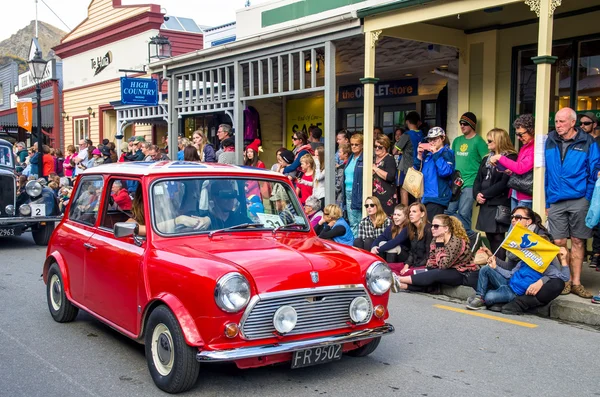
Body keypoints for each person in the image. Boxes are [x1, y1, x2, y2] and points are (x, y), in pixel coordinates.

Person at [469, 206, 570, 314]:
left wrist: (541, 281)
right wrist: (492, 259)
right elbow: (510, 269)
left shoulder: (541, 239)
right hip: (512, 280)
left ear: (528, 221)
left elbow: (557, 274)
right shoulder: (515, 237)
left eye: (518, 217)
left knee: (557, 284)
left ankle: (508, 301)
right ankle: (482, 298)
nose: (513, 220)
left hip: (530, 287)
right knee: (477, 274)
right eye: (512, 217)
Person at [545, 107, 599, 298]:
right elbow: (547, 173)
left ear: (572, 123)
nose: (558, 125)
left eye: (562, 122)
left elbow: (594, 171)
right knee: (558, 241)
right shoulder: (550, 140)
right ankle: (565, 279)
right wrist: (547, 200)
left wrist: (587, 197)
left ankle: (576, 282)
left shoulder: (587, 141)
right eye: (557, 121)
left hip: (579, 199)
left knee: (577, 240)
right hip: (556, 199)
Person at [393, 214, 478, 293]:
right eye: (432, 226)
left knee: (436, 274)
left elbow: (443, 265)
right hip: (448, 269)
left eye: (436, 226)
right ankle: (402, 286)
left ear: (446, 228)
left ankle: (399, 279)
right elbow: (431, 261)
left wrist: (440, 246)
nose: (432, 228)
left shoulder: (456, 241)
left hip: (464, 273)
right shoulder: (436, 239)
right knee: (428, 274)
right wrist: (428, 269)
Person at [473, 128, 517, 255]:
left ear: (499, 141)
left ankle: (499, 265)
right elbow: (477, 179)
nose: (487, 144)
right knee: (489, 236)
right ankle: (494, 264)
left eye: (490, 141)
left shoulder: (510, 157)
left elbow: (504, 183)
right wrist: (476, 194)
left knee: (498, 236)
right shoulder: (486, 158)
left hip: (499, 201)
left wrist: (484, 194)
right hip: (485, 202)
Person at [446, 112, 488, 245]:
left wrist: (482, 183)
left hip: (471, 183)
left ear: (472, 124)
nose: (462, 126)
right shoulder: (457, 140)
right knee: (448, 211)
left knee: (464, 213)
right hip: (456, 183)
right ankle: (467, 238)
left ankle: (468, 243)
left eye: (465, 123)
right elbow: (451, 160)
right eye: (460, 123)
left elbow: (486, 161)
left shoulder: (479, 141)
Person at [489, 114, 535, 210]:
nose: (518, 137)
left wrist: (499, 157)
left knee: (519, 225)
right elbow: (519, 169)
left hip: (525, 195)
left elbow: (520, 168)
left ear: (532, 131)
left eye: (520, 134)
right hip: (516, 192)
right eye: (517, 134)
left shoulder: (534, 147)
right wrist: (508, 171)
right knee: (515, 224)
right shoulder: (525, 147)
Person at [415, 127, 455, 220]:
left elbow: (445, 172)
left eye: (435, 139)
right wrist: (419, 155)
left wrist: (436, 154)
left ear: (442, 138)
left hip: (437, 198)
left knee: (432, 228)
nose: (432, 142)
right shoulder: (428, 154)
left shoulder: (447, 153)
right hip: (425, 197)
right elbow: (417, 170)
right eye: (430, 139)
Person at [343, 134, 364, 236]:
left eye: (357, 144)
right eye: (352, 144)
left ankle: (356, 245)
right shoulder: (351, 157)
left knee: (358, 221)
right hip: (347, 191)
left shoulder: (364, 158)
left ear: (362, 145)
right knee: (351, 220)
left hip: (358, 191)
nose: (354, 147)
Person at [372, 134, 397, 216]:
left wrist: (376, 169)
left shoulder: (389, 158)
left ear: (385, 147)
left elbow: (390, 176)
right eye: (375, 146)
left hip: (386, 196)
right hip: (374, 195)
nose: (377, 149)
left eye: (380, 147)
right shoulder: (373, 158)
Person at [335, 143, 350, 208]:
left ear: (346, 154)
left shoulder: (342, 167)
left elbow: (339, 184)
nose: (338, 154)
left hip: (340, 197)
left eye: (340, 152)